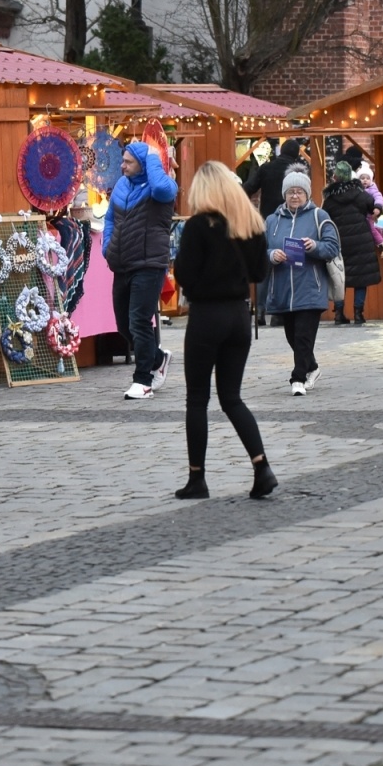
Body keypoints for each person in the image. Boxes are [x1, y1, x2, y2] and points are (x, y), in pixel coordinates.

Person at [171, 162, 276, 500]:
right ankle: (262, 467)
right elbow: (260, 272)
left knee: (197, 399)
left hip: (206, 316)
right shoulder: (251, 224)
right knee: (232, 397)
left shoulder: (199, 226)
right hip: (239, 317)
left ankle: (197, 478)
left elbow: (185, 274)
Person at [104, 141, 177, 399]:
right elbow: (111, 217)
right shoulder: (122, 185)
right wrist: (107, 246)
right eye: (123, 160)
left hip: (149, 264)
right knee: (124, 324)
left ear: (145, 164)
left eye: (128, 161)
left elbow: (160, 187)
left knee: (139, 321)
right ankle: (157, 358)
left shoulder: (162, 186)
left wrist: (154, 158)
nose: (122, 165)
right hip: (121, 263)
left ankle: (143, 381)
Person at [264, 169, 341, 395]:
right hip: (282, 290)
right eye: (290, 192)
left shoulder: (320, 216)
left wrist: (315, 246)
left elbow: (333, 247)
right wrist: (271, 255)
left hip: (310, 286)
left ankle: (297, 379)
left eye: (299, 192)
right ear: (284, 194)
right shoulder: (272, 220)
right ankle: (313, 367)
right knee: (292, 336)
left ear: (307, 194)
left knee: (303, 335)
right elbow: (260, 250)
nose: (294, 196)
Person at [321, 161, 381, 325]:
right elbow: (372, 205)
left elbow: (323, 218)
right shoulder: (359, 193)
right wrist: (378, 209)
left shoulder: (330, 199)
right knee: (360, 279)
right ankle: (358, 314)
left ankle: (339, 314)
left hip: (339, 243)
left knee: (339, 277)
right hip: (361, 241)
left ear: (335, 177)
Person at [244, 137, 307, 217]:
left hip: (268, 216)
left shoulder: (266, 168)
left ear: (281, 150)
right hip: (291, 217)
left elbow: (248, 188)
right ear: (297, 154)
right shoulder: (298, 172)